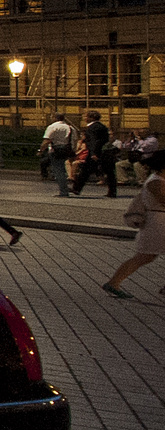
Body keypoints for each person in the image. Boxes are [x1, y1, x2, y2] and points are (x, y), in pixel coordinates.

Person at [101, 162, 165, 298]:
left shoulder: (158, 179)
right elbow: (163, 199)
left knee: (146, 256)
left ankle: (114, 282)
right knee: (145, 256)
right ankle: (114, 282)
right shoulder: (156, 181)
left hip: (159, 221)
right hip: (156, 223)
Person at [73, 111, 119, 197]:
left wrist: (94, 153)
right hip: (104, 152)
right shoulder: (102, 126)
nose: (84, 118)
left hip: (96, 152)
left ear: (91, 118)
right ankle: (112, 191)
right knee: (109, 172)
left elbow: (94, 141)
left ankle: (77, 188)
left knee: (85, 171)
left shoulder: (92, 128)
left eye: (86, 116)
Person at [43, 114, 80, 195]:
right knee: (64, 168)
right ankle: (67, 187)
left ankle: (63, 190)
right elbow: (75, 139)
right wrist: (73, 150)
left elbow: (47, 139)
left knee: (58, 170)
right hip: (67, 150)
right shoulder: (70, 127)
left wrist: (41, 149)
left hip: (56, 150)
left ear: (55, 118)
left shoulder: (52, 127)